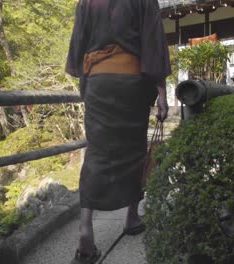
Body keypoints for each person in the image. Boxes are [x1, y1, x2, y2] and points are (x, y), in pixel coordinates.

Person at [65, 0, 171, 263]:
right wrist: (161, 92)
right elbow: (153, 42)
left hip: (98, 83)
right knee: (135, 151)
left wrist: (87, 81)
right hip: (132, 84)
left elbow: (79, 40)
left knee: (96, 154)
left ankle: (85, 232)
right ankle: (132, 218)